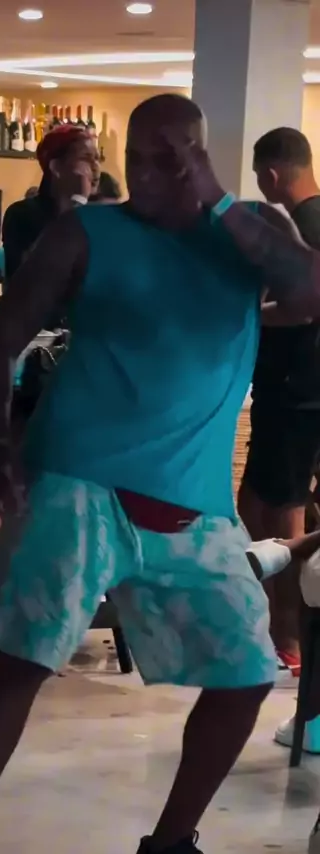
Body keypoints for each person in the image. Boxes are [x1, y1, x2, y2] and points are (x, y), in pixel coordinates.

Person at [0, 93, 320, 854]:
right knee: (19, 664)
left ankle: (170, 841)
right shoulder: (87, 232)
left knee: (245, 671)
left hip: (194, 500)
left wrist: (214, 198)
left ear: (199, 157)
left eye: (167, 159)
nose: (147, 175)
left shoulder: (248, 229)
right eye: (136, 159)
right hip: (79, 481)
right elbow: (0, 339)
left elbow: (310, 291)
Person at [238, 128, 320, 682]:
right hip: (291, 390)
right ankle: (271, 621)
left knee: (283, 509)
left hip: (298, 391)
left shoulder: (304, 223)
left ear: (270, 174)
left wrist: (247, 316)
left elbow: (306, 305)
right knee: (256, 504)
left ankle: (288, 635)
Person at [2, 123, 100, 284]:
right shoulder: (22, 214)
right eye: (85, 158)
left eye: (97, 159)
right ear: (56, 167)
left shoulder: (100, 216)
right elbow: (25, 277)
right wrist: (78, 201)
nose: (96, 167)